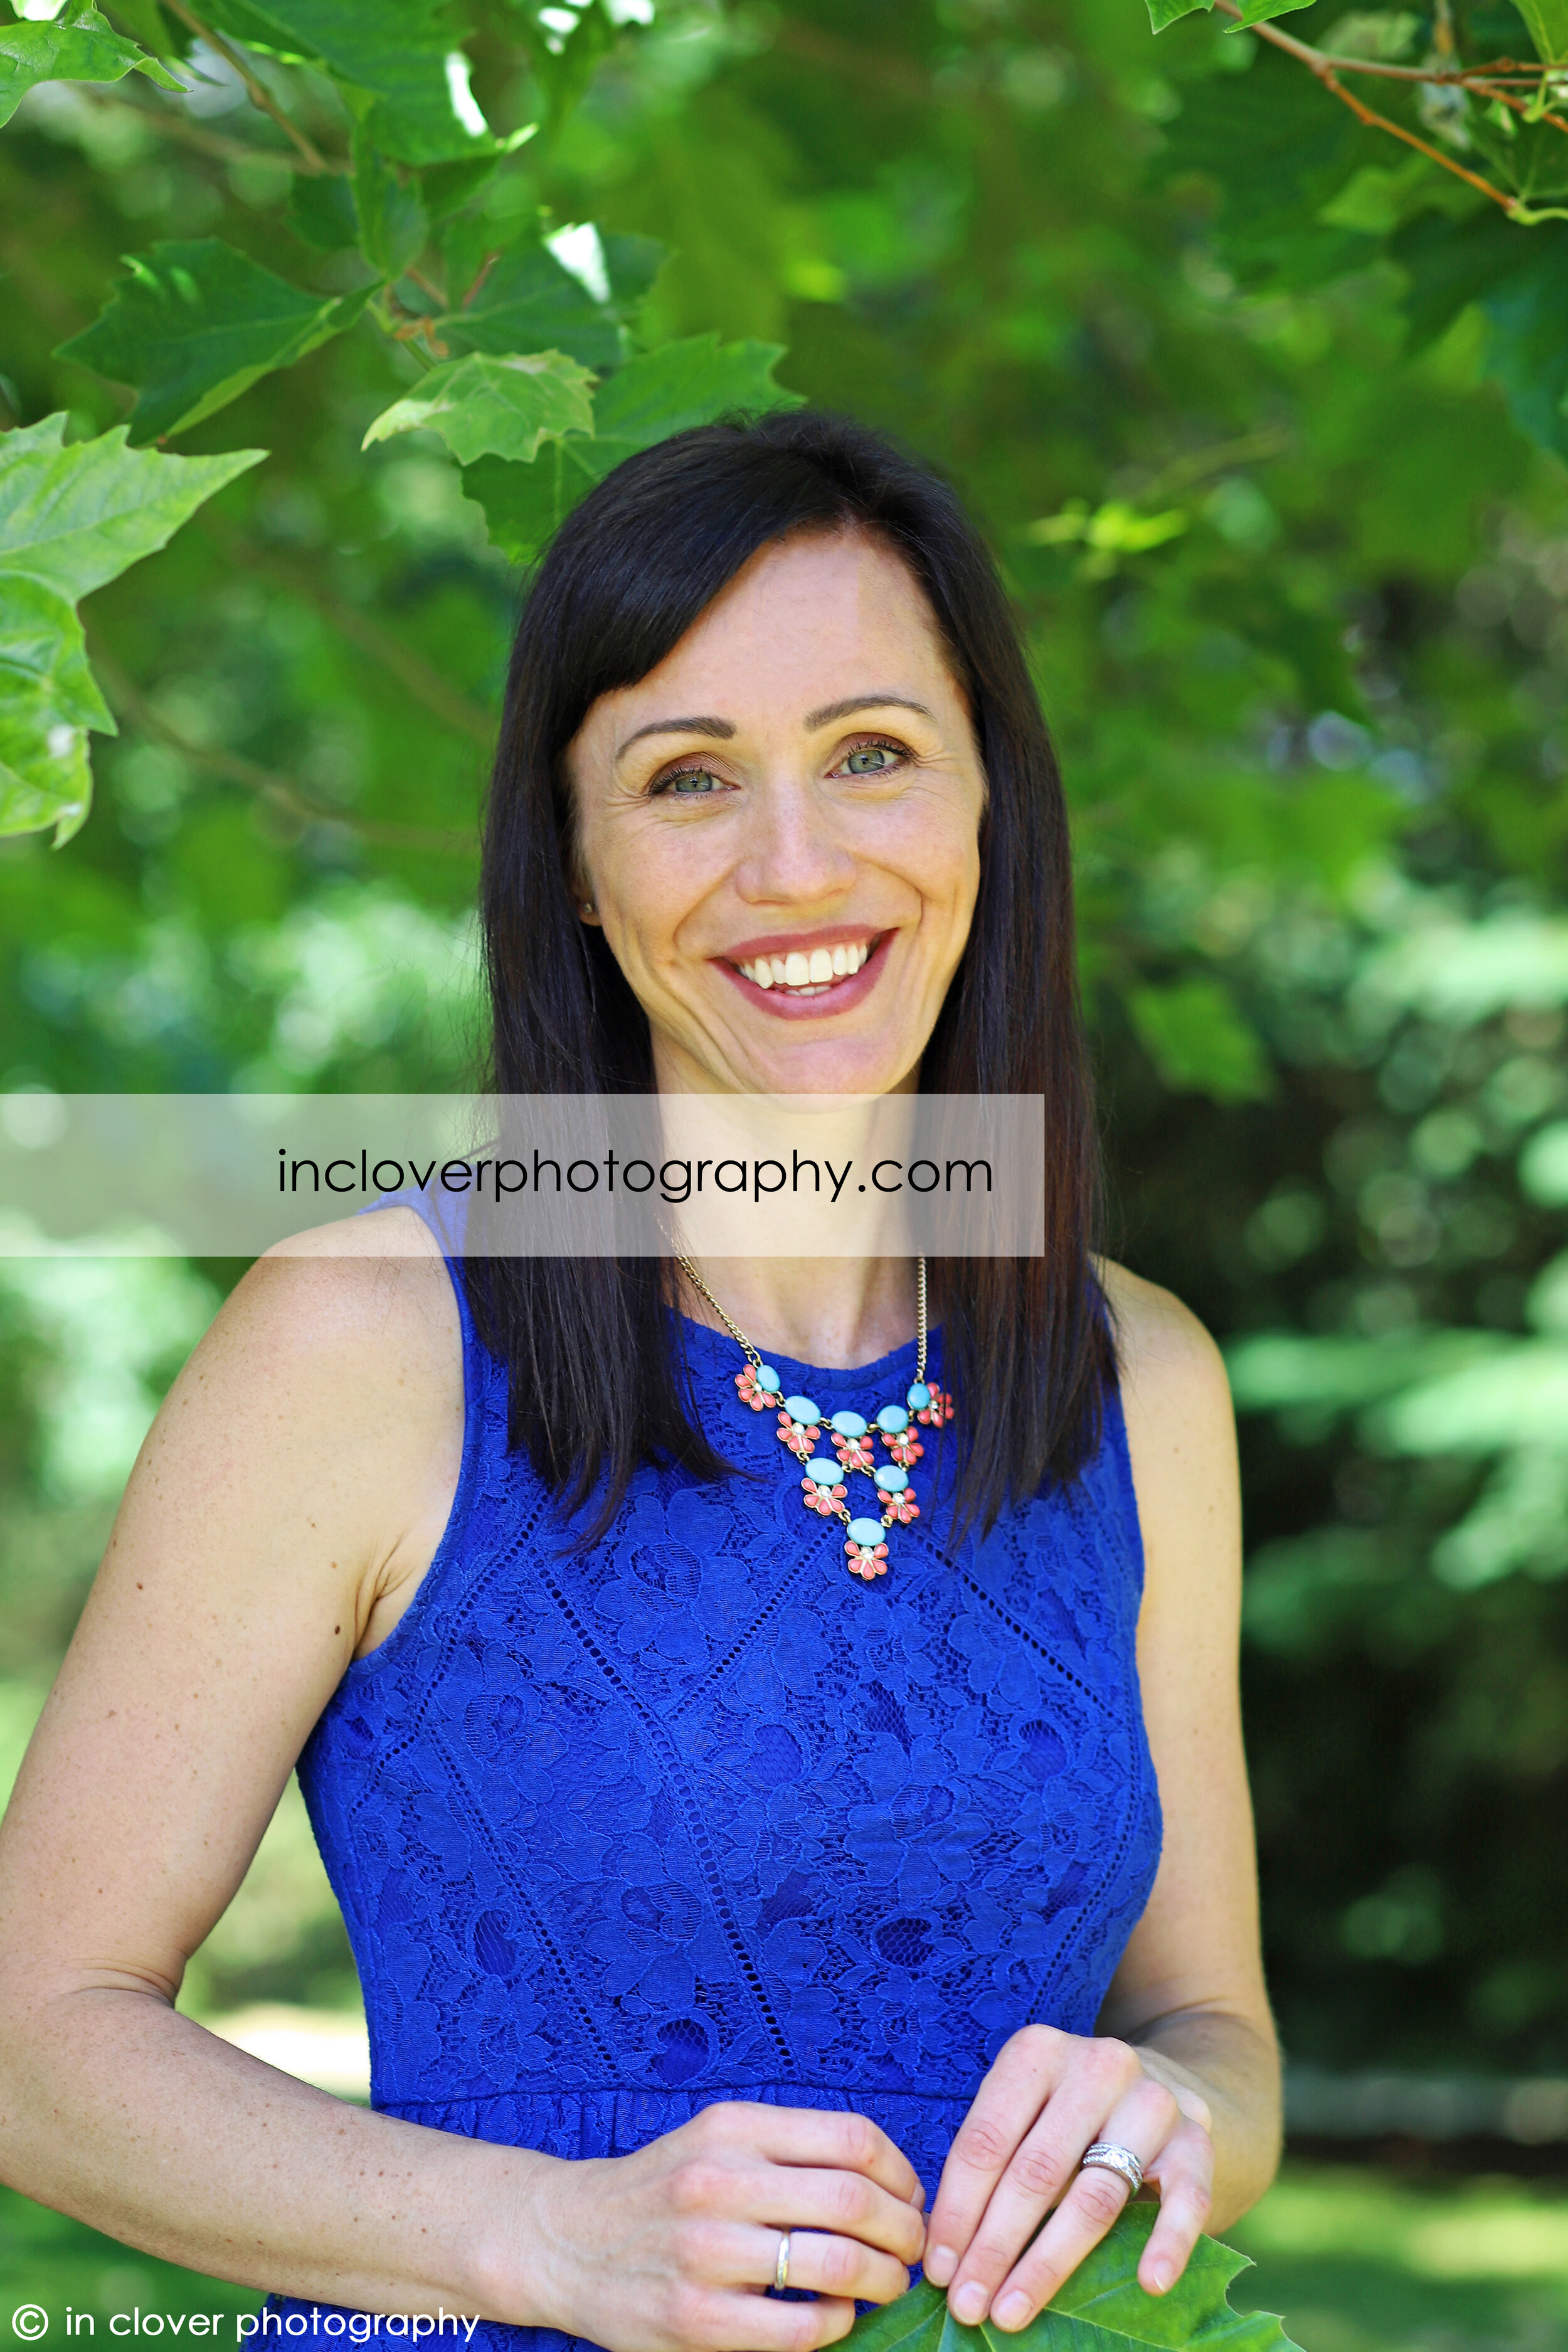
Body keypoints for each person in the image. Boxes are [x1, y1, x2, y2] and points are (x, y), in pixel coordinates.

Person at [0, 411, 1280, 2352]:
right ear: (579, 870)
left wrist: (1169, 2114)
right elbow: (34, 2038)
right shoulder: (365, 1337)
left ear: (987, 807)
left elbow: (1215, 2030)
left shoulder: (1141, 1381)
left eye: (871, 754)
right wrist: (537, 2238)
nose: (796, 862)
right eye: (687, 779)